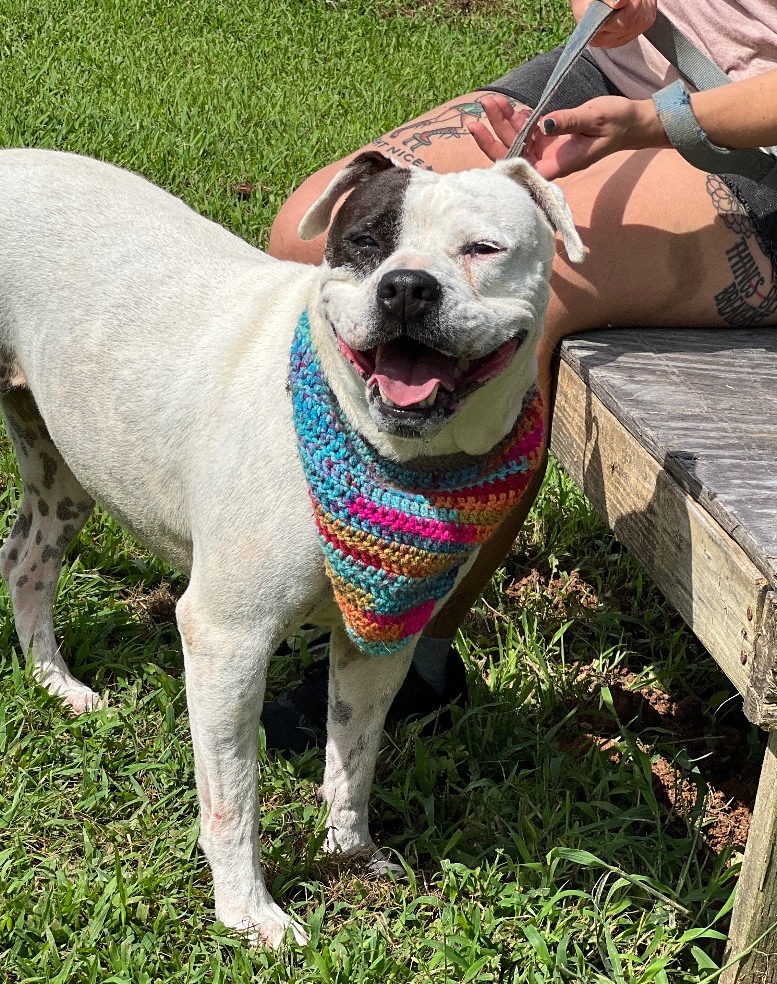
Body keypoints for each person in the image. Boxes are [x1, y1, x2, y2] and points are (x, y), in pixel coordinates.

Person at [261, 0, 777, 753]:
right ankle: (315, 557)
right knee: (307, 229)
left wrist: (647, 124)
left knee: (532, 286)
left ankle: (414, 656)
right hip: (619, 75)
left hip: (757, 151)